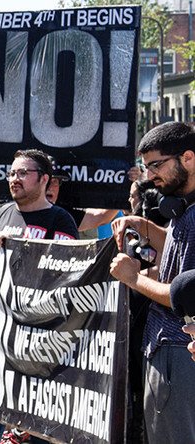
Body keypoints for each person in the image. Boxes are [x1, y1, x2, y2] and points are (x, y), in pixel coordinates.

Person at [0, 149, 78, 444]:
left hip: (36, 339)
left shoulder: (59, 219)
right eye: (12, 173)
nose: (15, 179)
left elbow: (69, 275)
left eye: (23, 173)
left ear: (44, 180)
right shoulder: (1, 212)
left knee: (37, 422)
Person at [110, 121, 195, 443]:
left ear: (188, 157)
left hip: (178, 350)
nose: (150, 176)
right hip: (168, 349)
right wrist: (147, 227)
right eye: (146, 168)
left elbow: (184, 295)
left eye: (156, 165)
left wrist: (133, 279)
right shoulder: (183, 208)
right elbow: (178, 262)